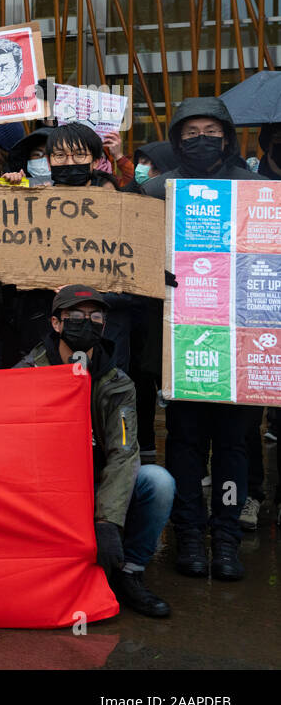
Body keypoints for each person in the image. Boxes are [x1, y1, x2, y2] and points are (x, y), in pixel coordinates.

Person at [142, 97, 264, 581]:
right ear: (176, 140)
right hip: (182, 339)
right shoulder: (156, 193)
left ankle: (226, 535)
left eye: (209, 130)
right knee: (186, 444)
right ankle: (189, 533)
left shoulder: (261, 192)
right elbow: (135, 261)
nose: (199, 139)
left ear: (228, 135)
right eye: (189, 132)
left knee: (235, 446)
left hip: (241, 341)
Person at [15, 285, 174, 618]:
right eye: (75, 316)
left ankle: (129, 572)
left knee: (157, 482)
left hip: (99, 484)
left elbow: (124, 452)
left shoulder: (118, 383)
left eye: (95, 316)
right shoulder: (27, 373)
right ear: (56, 323)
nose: (87, 323)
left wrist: (108, 521)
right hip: (47, 491)